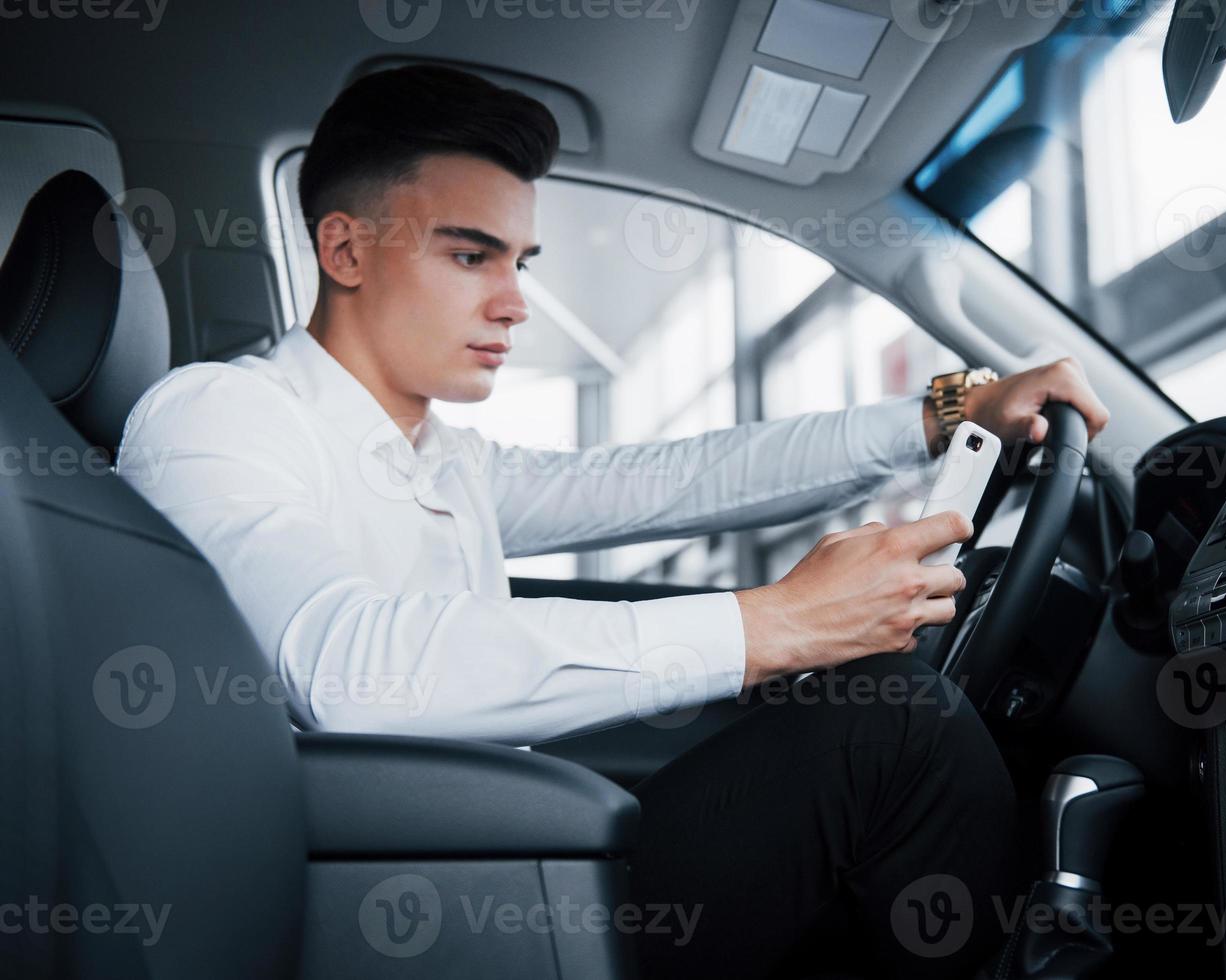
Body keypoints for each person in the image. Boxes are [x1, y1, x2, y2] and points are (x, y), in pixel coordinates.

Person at [117, 65, 1110, 978]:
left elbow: (672, 478)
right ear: (345, 247)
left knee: (882, 722)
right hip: (412, 890)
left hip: (501, 841)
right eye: (471, 255)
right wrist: (773, 624)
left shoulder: (443, 458)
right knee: (893, 722)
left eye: (520, 260)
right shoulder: (216, 415)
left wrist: (941, 413)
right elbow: (341, 665)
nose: (514, 304)